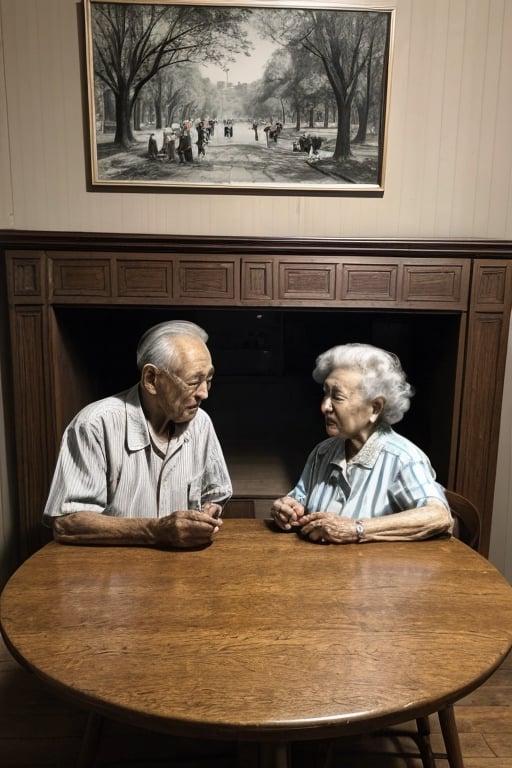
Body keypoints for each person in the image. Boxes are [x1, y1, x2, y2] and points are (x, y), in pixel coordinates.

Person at [43, 320, 232, 549]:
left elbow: (215, 492)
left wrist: (211, 509)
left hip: (182, 574)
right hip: (111, 576)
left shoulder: (201, 423)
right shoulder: (95, 425)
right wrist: (155, 531)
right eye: (193, 382)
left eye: (208, 380)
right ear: (151, 379)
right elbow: (66, 523)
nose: (204, 393)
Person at [271, 343, 453, 544]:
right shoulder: (322, 452)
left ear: (375, 408)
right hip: (321, 570)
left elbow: (438, 516)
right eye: (325, 393)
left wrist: (356, 528)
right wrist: (287, 508)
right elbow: (299, 498)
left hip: (378, 573)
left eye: (337, 397)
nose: (324, 406)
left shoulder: (403, 459)